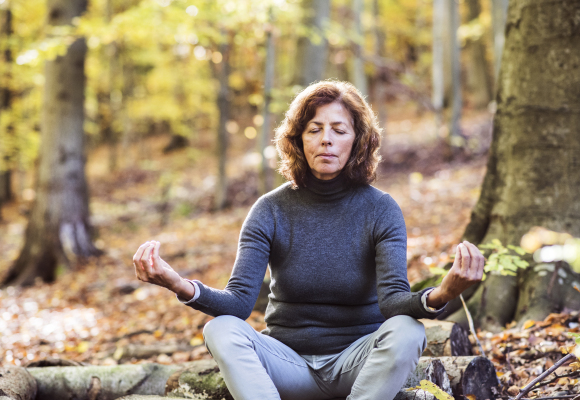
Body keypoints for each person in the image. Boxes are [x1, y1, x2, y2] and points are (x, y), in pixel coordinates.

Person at [132, 81, 484, 400]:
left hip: (357, 365)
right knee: (221, 329)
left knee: (407, 331)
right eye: (314, 129)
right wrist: (178, 284)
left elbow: (392, 303)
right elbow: (239, 304)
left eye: (338, 130)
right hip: (287, 363)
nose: (326, 139)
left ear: (358, 140)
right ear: (298, 139)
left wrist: (442, 294)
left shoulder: (381, 209)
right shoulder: (269, 210)